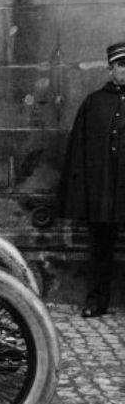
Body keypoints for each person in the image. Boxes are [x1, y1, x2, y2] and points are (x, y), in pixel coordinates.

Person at [58, 41, 125, 318]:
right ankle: (97, 301)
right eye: (121, 66)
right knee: (100, 247)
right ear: (110, 69)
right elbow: (79, 149)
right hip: (105, 189)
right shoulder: (94, 103)